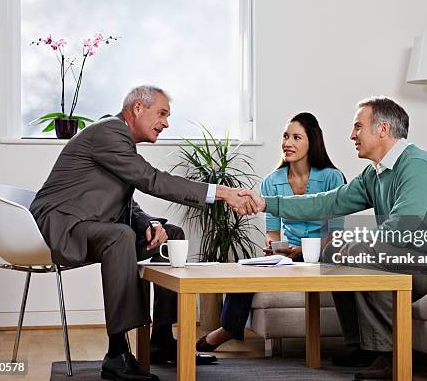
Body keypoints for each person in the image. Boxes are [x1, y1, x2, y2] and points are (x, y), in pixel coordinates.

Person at [29, 85, 258, 381]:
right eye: (161, 114)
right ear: (138, 108)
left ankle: (161, 339)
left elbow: (128, 202)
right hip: (62, 226)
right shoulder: (109, 132)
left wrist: (149, 223)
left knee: (170, 234)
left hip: (89, 224)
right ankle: (117, 354)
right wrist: (223, 193)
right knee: (119, 236)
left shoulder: (118, 138)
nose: (165, 123)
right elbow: (152, 180)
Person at [239, 97, 427, 380]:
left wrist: (355, 245)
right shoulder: (374, 174)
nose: (352, 135)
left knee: (359, 254)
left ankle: (390, 355)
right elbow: (327, 203)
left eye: (358, 127)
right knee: (334, 251)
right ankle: (362, 345)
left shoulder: (416, 165)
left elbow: (401, 229)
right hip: (408, 261)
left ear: (383, 130)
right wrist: (267, 203)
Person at [196, 112, 345, 351]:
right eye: (286, 136)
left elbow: (335, 233)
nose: (288, 143)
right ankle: (229, 328)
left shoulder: (332, 178)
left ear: (312, 141)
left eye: (297, 137)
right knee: (244, 269)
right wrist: (276, 248)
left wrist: (306, 249)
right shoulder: (271, 181)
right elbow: (273, 232)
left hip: (323, 254)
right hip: (289, 257)